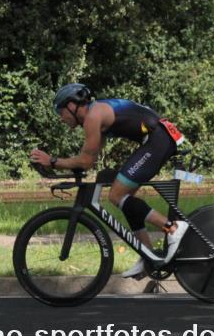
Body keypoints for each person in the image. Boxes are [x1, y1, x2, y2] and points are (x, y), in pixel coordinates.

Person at [29, 83, 189, 279]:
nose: (61, 118)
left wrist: (53, 161)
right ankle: (147, 253)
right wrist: (62, 164)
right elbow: (90, 158)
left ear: (72, 105)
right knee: (118, 190)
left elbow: (86, 161)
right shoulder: (96, 114)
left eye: (61, 111)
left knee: (117, 194)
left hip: (158, 140)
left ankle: (172, 228)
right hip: (157, 138)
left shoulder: (92, 117)